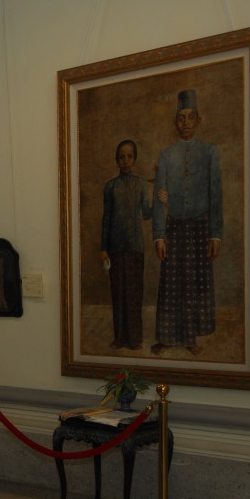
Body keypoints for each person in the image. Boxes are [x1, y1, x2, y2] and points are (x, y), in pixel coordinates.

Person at [150, 89, 222, 356]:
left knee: (193, 282)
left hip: (200, 227)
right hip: (174, 227)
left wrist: (215, 234)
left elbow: (216, 194)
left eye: (191, 117)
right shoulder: (166, 155)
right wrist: (159, 235)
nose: (186, 123)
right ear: (175, 123)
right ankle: (167, 337)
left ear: (198, 120)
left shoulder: (210, 152)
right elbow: (160, 197)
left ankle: (191, 337)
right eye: (181, 118)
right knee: (171, 283)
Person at [100, 139, 151, 350]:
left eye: (130, 156)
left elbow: (147, 213)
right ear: (117, 160)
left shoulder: (141, 185)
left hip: (135, 247)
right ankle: (120, 338)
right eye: (122, 157)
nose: (126, 160)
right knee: (118, 293)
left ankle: (134, 339)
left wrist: (160, 197)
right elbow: (106, 218)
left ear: (134, 159)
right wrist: (103, 248)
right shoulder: (110, 187)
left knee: (134, 294)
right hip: (115, 248)